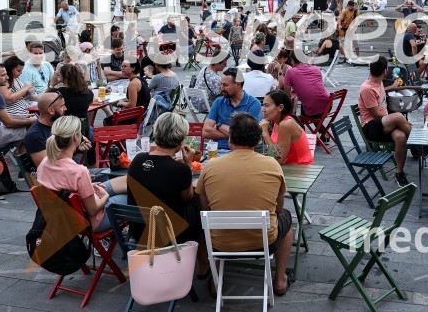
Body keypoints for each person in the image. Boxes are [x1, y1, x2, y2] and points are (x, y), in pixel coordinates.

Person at [196, 114, 294, 297]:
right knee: (287, 221)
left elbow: (205, 209)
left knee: (210, 223)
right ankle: (280, 280)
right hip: (263, 242)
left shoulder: (211, 166)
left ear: (230, 138)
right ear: (257, 140)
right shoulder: (272, 165)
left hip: (220, 242)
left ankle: (216, 280)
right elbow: (279, 209)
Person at [126, 113, 209, 277]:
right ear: (180, 139)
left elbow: (158, 175)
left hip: (139, 230)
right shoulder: (181, 170)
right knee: (201, 200)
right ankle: (203, 263)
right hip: (169, 233)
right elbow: (187, 197)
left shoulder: (138, 160)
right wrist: (188, 166)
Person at [36, 116, 127, 233]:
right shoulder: (78, 172)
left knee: (127, 181)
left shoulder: (44, 163)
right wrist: (105, 196)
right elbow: (93, 210)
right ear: (76, 137)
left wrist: (88, 185)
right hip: (91, 220)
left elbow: (64, 185)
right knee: (132, 197)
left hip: (67, 216)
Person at [358, 57, 412, 187]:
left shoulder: (378, 81)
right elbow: (375, 114)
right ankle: (419, 144)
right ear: (385, 71)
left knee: (400, 137)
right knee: (398, 116)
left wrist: (392, 87)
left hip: (383, 124)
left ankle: (399, 173)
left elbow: (379, 92)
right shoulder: (367, 88)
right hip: (371, 127)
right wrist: (394, 119)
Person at [202, 68, 262, 152]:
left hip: (241, 152)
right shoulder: (219, 102)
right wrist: (236, 134)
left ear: (238, 84)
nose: (221, 88)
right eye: (221, 84)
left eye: (225, 85)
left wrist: (219, 126)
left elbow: (248, 136)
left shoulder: (253, 104)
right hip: (218, 150)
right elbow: (205, 132)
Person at [260, 90, 313, 165]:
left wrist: (265, 133)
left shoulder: (286, 124)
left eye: (267, 105)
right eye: (263, 105)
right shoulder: (276, 121)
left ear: (280, 107)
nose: (263, 110)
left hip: (299, 169)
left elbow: (279, 160)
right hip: (289, 166)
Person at [23, 90, 69, 166]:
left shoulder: (56, 126)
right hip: (57, 175)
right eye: (62, 106)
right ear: (51, 110)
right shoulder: (34, 135)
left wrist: (77, 148)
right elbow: (47, 168)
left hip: (67, 170)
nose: (65, 109)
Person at [283, 53, 330, 117]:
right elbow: (314, 87)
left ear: (292, 61)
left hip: (312, 110)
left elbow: (287, 95)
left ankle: (299, 125)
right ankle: (319, 127)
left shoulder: (290, 72)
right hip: (327, 105)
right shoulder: (316, 69)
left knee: (301, 112)